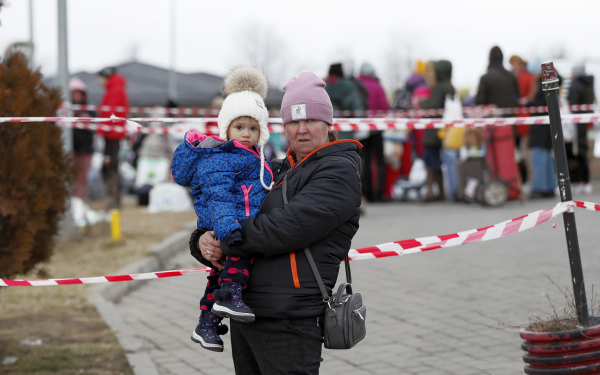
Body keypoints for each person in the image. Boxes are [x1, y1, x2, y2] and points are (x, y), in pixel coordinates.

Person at [191, 72, 362, 374]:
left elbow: (282, 229)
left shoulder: (339, 172)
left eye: (310, 120)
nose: (302, 130)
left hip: (290, 319)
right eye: (293, 122)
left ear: (328, 124)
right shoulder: (275, 170)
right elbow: (234, 207)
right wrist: (204, 238)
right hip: (246, 310)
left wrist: (226, 237)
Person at [172, 67, 273, 352]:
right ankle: (230, 296)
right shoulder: (224, 159)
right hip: (230, 223)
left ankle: (206, 324)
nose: (246, 134)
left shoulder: (253, 157)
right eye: (239, 127)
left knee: (217, 273)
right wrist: (229, 226)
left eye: (253, 128)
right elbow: (218, 194)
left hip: (232, 222)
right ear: (226, 128)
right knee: (236, 263)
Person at [419, 60, 455, 202]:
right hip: (440, 129)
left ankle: (431, 191)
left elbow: (433, 107)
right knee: (435, 161)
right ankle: (439, 192)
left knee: (430, 160)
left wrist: (422, 102)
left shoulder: (441, 87)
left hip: (435, 130)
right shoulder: (448, 86)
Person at [526, 59, 559, 199]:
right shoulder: (548, 83)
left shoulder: (541, 85)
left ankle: (539, 188)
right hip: (546, 127)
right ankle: (550, 187)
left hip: (540, 128)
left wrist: (528, 103)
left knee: (538, 158)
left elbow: (540, 105)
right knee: (546, 158)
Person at [96, 67, 129, 209]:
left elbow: (110, 113)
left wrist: (102, 130)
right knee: (110, 167)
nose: (98, 81)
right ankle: (113, 199)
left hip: (112, 136)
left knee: (110, 168)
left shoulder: (114, 91)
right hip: (112, 134)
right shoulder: (115, 89)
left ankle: (114, 199)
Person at [357, 62, 388, 202]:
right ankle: (379, 192)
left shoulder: (357, 85)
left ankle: (366, 192)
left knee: (365, 160)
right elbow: (385, 107)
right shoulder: (378, 86)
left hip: (362, 128)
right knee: (379, 160)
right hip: (377, 127)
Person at [568, 63, 595, 195]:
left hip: (576, 125)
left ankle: (577, 182)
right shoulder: (589, 85)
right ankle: (585, 182)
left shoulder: (575, 86)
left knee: (576, 152)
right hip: (587, 124)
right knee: (584, 153)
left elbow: (572, 105)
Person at [69, 78, 95, 202]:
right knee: (71, 176)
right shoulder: (66, 109)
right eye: (74, 93)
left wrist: (85, 118)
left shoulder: (89, 109)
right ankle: (72, 201)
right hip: (71, 149)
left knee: (83, 177)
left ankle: (82, 201)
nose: (77, 96)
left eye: (79, 93)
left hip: (86, 149)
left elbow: (95, 126)